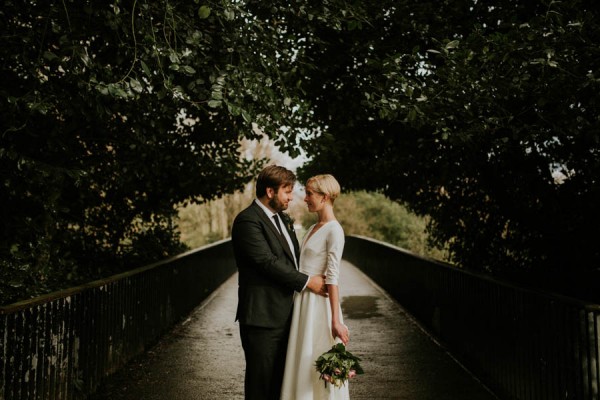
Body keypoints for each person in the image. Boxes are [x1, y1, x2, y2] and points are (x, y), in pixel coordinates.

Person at [231, 165, 328, 400]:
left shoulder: (281, 219)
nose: (291, 197)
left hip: (287, 314)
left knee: (280, 384)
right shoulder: (247, 221)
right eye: (287, 191)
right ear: (270, 192)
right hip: (262, 318)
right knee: (261, 384)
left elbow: (293, 259)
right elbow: (266, 262)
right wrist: (308, 282)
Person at [281, 174, 350, 400]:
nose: (305, 198)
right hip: (302, 301)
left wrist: (335, 320)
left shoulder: (334, 230)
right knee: (302, 359)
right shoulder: (312, 228)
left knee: (317, 357)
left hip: (319, 307)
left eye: (309, 193)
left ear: (325, 196)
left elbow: (333, 276)